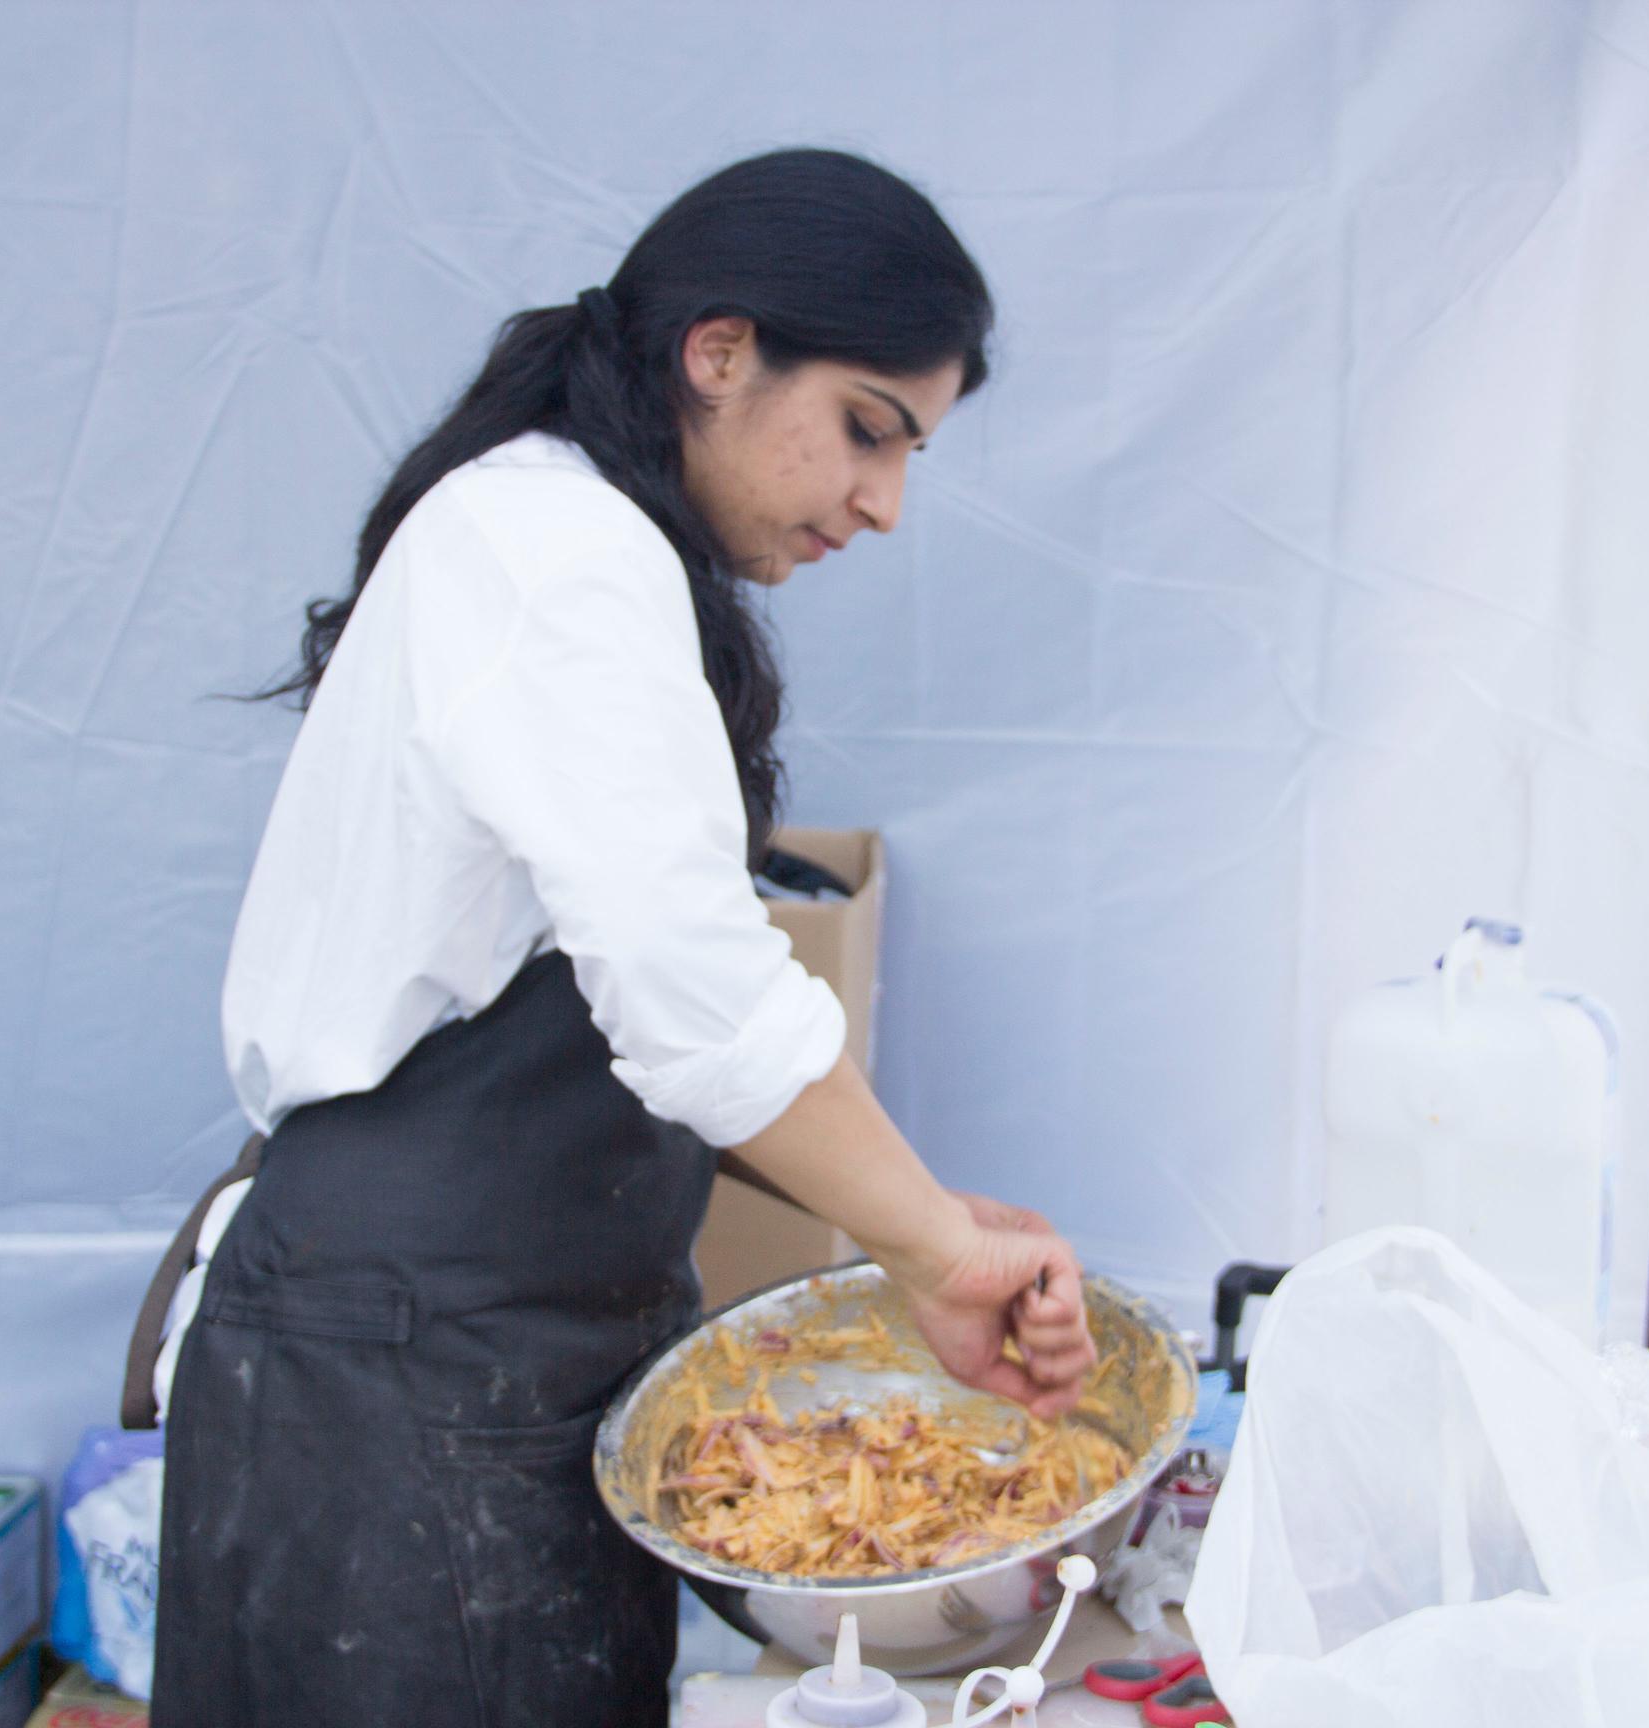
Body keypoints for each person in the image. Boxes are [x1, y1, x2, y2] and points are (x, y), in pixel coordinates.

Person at [152, 149, 1098, 1728]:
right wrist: (937, 1249)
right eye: (869, 427)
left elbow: (621, 1006)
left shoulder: (585, 547)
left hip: (475, 1375)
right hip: (402, 1373)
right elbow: (694, 992)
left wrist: (923, 1210)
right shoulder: (552, 547)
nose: (885, 502)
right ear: (718, 354)